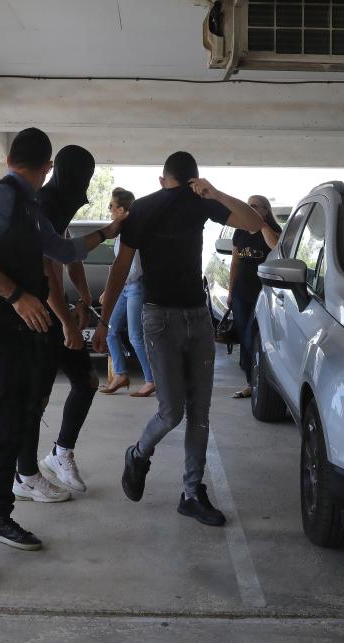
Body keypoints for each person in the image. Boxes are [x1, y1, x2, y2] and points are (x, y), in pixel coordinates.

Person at [0, 128, 124, 580]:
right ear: (47, 168)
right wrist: (18, 294)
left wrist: (109, 230)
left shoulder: (28, 205)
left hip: (15, 331)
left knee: (19, 421)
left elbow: (62, 250)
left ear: (8, 157)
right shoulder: (3, 198)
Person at [92, 151, 263, 527]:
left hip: (186, 317)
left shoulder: (193, 204)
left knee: (188, 412)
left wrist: (104, 323)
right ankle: (138, 454)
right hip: (166, 319)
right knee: (178, 413)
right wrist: (214, 194)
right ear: (192, 179)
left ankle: (191, 492)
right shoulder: (180, 205)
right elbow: (254, 222)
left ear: (162, 178)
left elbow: (119, 270)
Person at [15, 144, 102, 500]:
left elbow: (69, 255)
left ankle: (59, 453)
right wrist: (66, 322)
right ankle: (24, 475)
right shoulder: (45, 203)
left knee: (87, 380)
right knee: (35, 397)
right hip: (33, 313)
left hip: (54, 308)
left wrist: (83, 298)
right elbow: (46, 269)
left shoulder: (60, 204)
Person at [98, 187, 156, 398]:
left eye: (111, 206)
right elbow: (117, 266)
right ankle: (121, 375)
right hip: (124, 288)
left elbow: (132, 269)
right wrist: (109, 290)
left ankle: (151, 380)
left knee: (135, 336)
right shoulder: (120, 232)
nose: (109, 209)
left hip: (135, 288)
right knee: (111, 330)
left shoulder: (134, 231)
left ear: (121, 209)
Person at [228, 195, 282, 399]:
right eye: (247, 205)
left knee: (256, 337)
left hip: (264, 294)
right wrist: (231, 292)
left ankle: (264, 382)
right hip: (242, 292)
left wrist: (260, 225)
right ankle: (251, 382)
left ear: (265, 210)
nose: (248, 208)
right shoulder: (240, 232)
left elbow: (275, 246)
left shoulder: (271, 231)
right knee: (245, 337)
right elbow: (235, 264)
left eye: (253, 206)